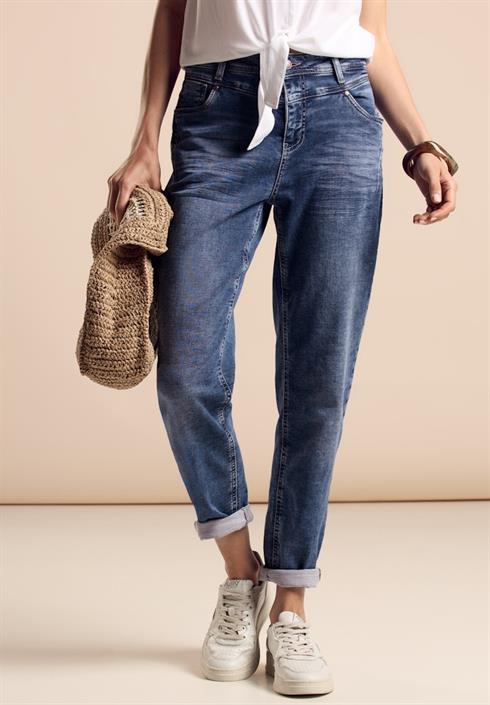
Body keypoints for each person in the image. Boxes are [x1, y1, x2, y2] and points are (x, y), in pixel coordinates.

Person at [106, 0, 458, 696]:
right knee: (185, 363)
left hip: (340, 112)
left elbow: (371, 34)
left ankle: (291, 603)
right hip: (217, 108)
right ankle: (242, 575)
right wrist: (146, 137)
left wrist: (420, 142)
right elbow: (174, 9)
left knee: (319, 376)